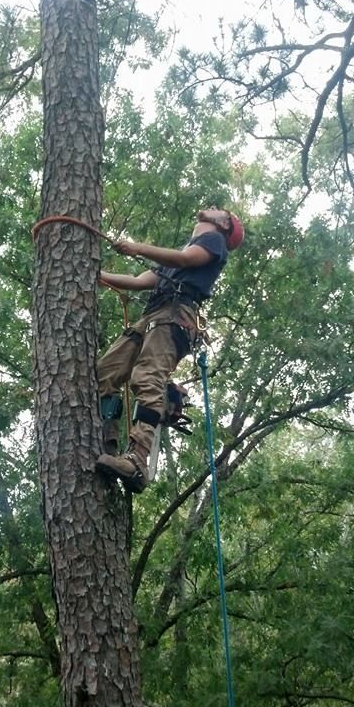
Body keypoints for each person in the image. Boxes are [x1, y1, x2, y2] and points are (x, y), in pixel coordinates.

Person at [96, 207, 245, 494]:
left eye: (218, 210)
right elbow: (139, 282)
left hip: (175, 315)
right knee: (105, 373)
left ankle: (137, 460)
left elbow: (186, 259)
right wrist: (96, 274)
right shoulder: (176, 259)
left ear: (223, 223)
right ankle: (107, 443)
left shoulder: (214, 242)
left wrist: (136, 247)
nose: (210, 208)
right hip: (152, 316)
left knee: (146, 377)